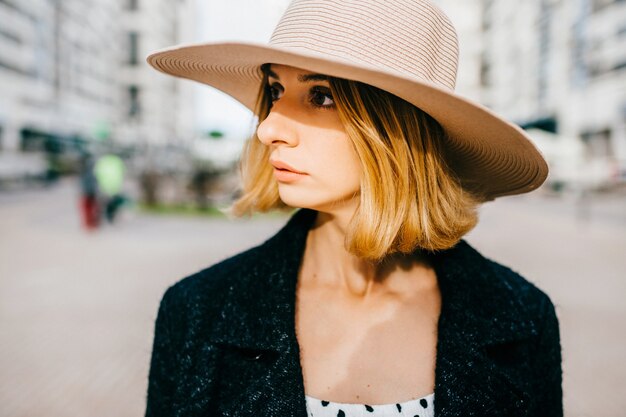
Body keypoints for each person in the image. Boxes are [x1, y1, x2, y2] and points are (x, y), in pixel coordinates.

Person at [144, 1, 562, 416]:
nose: (268, 127)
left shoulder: (521, 316)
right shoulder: (197, 308)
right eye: (274, 91)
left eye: (321, 96)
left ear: (397, 128)